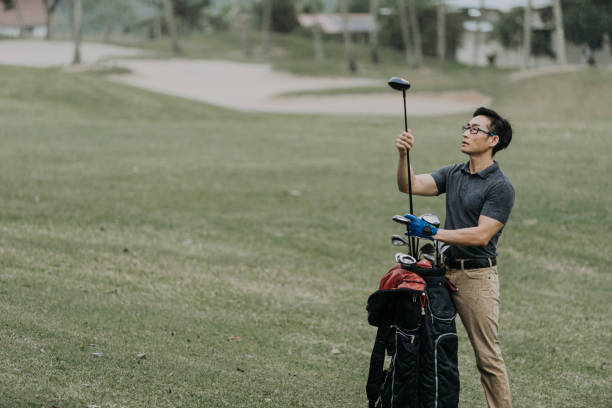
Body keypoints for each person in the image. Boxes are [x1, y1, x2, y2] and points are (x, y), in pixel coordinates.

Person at [395, 107, 515, 408]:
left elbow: (481, 234)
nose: (466, 133)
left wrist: (433, 233)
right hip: (443, 274)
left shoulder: (500, 186)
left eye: (475, 129)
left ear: (493, 140)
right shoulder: (454, 173)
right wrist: (404, 156)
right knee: (430, 345)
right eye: (467, 127)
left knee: (487, 358)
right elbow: (408, 185)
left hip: (476, 278)